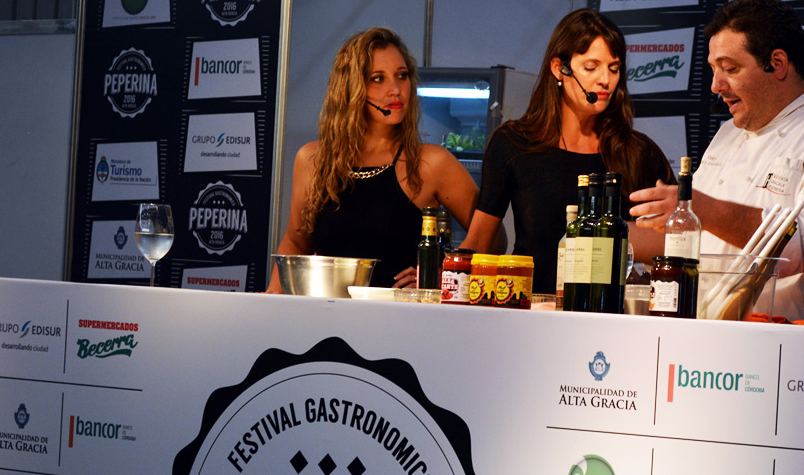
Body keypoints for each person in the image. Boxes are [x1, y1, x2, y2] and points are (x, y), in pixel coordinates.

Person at [629, 0, 804, 328]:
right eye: (713, 69)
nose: (715, 86)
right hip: (711, 339)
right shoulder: (728, 134)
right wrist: (607, 238)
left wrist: (703, 208)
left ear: (777, 63)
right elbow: (697, 237)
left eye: (730, 69)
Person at [460, 9, 674, 294]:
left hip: (606, 311)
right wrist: (441, 278)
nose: (605, 80)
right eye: (591, 67)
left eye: (613, 68)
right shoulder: (512, 142)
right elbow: (479, 242)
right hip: (529, 307)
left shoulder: (638, 152)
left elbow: (678, 239)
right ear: (559, 68)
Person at [266, 27, 479, 292]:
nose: (396, 90)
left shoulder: (432, 162)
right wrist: (270, 300)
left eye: (402, 76)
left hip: (402, 314)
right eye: (378, 79)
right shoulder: (312, 159)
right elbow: (296, 243)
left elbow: (492, 237)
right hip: (327, 312)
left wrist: (443, 274)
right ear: (350, 88)